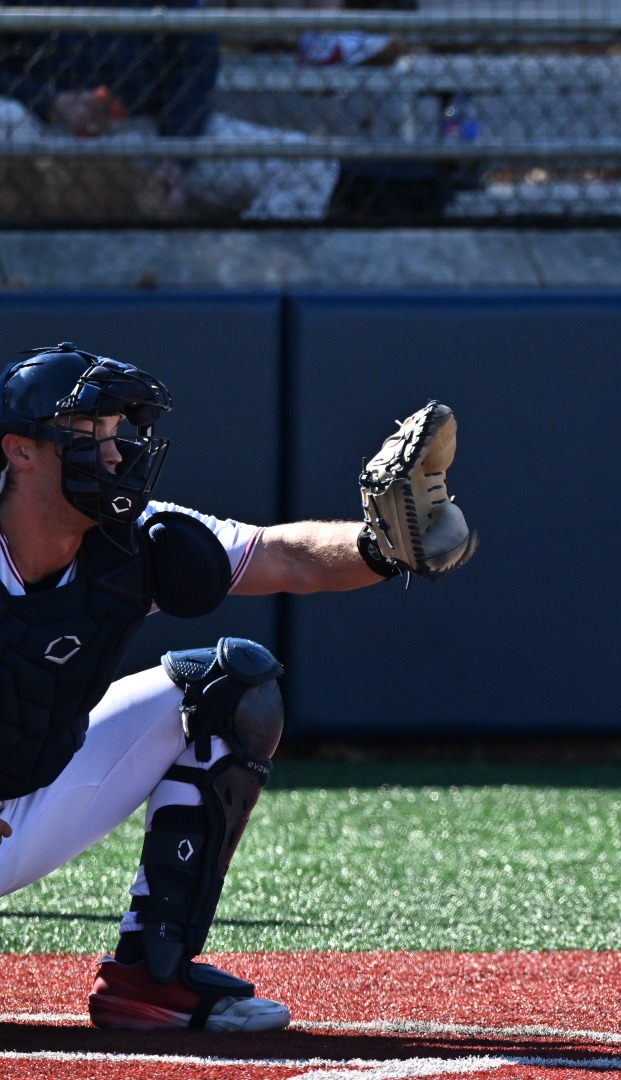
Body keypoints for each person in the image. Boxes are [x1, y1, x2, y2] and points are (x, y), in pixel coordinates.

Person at [0, 343, 473, 1031]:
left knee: (229, 687)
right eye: (86, 433)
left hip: (27, 803)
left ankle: (150, 975)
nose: (111, 453)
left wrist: (382, 546)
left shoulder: (135, 541)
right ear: (20, 451)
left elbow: (283, 556)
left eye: (115, 432)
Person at [0, 0, 340, 221]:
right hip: (41, 134)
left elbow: (196, 58)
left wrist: (176, 155)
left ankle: (231, 284)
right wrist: (50, 102)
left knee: (310, 165)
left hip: (148, 135)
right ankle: (19, 277)